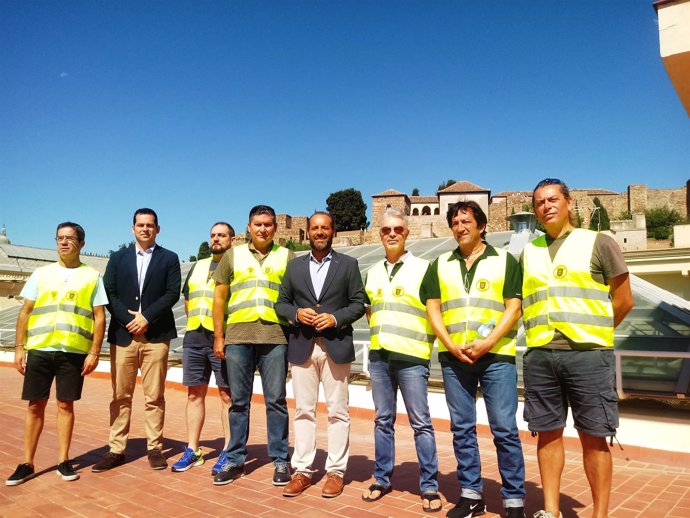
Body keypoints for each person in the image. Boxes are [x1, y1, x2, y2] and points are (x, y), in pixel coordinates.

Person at [522, 179, 634, 518]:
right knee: (548, 435)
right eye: (539, 202)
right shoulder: (530, 250)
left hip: (588, 355)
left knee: (595, 437)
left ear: (569, 203)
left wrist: (596, 333)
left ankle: (600, 514)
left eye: (553, 199)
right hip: (541, 354)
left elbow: (625, 300)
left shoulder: (598, 242)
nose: (546, 206)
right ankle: (551, 511)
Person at [423, 201, 526, 518]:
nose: (459, 227)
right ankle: (471, 496)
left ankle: (513, 501)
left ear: (482, 226)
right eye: (454, 222)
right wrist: (450, 344)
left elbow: (514, 307)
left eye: (466, 221)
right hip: (455, 360)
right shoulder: (439, 264)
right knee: (463, 429)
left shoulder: (505, 261)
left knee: (505, 429)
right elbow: (432, 308)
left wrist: (488, 342)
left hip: (496, 357)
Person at [7, 222, 107, 486]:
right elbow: (25, 312)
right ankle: (27, 463)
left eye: (70, 239)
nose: (64, 243)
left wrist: (94, 352)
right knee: (34, 406)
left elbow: (99, 317)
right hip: (40, 349)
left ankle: (63, 460)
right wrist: (20, 347)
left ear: (81, 244)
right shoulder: (40, 274)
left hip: (72, 352)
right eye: (60, 238)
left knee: (65, 405)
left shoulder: (92, 276)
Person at [275, 211, 365, 498]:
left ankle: (336, 471)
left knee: (338, 411)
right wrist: (297, 313)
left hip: (335, 345)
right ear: (308, 233)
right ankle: (302, 470)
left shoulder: (348, 264)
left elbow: (359, 302)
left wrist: (336, 319)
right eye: (315, 228)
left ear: (333, 232)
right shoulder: (294, 267)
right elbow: (281, 303)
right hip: (302, 345)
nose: (320, 232)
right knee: (303, 410)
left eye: (325, 228)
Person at [362, 207, 441, 513]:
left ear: (407, 233)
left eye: (398, 229)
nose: (392, 233)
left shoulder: (424, 269)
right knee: (383, 421)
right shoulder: (373, 272)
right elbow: (370, 310)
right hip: (380, 357)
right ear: (379, 234)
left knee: (421, 423)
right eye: (386, 230)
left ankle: (430, 486)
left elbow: (436, 311)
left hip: (412, 357)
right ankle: (381, 479)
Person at [211, 205, 294, 486]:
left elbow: (295, 298)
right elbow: (219, 299)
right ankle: (234, 459)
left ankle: (281, 461)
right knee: (238, 402)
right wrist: (219, 337)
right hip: (238, 338)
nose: (263, 229)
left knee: (276, 401)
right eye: (258, 224)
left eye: (268, 224)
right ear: (248, 227)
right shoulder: (232, 256)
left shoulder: (287, 257)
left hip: (275, 338)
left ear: (275, 228)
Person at [93, 208, 181, 472]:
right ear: (132, 228)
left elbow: (172, 293)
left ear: (157, 229)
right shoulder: (118, 258)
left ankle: (155, 448)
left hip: (156, 336)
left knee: (154, 395)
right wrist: (128, 320)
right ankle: (116, 449)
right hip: (123, 335)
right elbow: (109, 291)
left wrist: (147, 317)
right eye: (140, 225)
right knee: (121, 395)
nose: (145, 229)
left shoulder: (169, 258)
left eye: (150, 225)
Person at [171, 222, 235, 474]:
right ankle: (193, 449)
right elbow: (187, 297)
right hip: (194, 336)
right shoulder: (198, 265)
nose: (216, 238)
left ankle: (229, 450)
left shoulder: (237, 266)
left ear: (232, 239)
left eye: (222, 235)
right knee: (194, 394)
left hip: (223, 337)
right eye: (213, 235)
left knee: (226, 395)